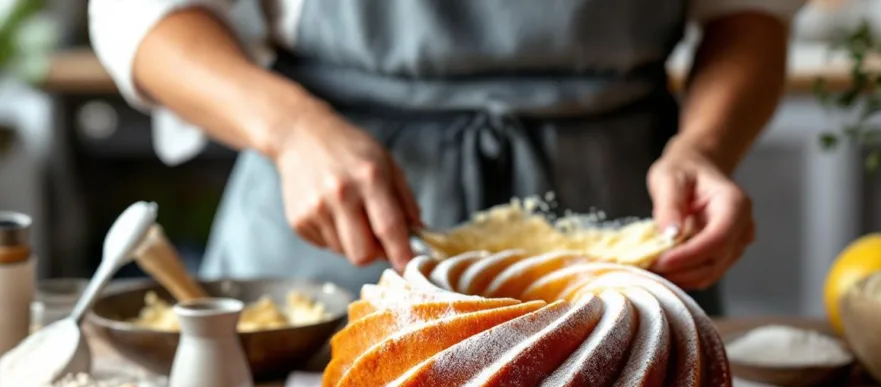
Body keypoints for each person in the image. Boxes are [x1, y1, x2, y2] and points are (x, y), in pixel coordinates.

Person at [89, 0, 804, 316]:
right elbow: (142, 18)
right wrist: (293, 129)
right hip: (331, 230)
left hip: (621, 206)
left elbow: (748, 15)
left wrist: (704, 146)